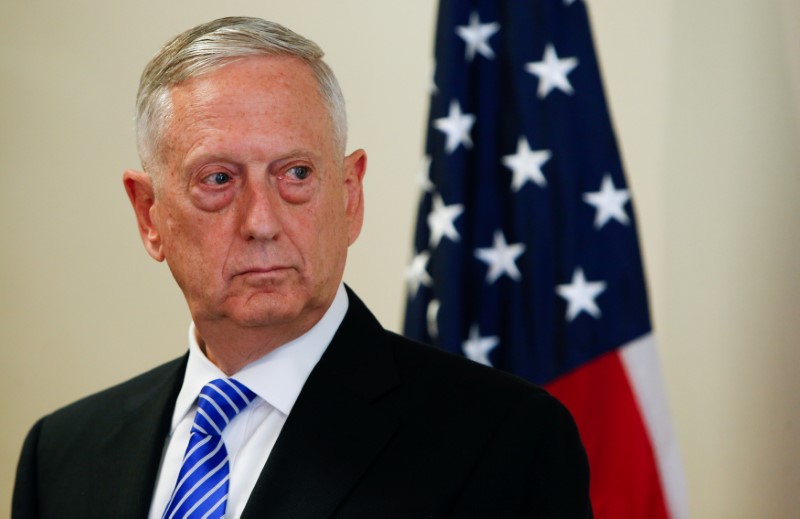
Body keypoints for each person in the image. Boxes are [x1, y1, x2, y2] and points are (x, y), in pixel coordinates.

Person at [12, 16, 591, 518]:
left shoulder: (508, 443)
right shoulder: (62, 454)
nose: (261, 221)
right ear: (149, 215)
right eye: (218, 179)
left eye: (295, 174)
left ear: (349, 196)